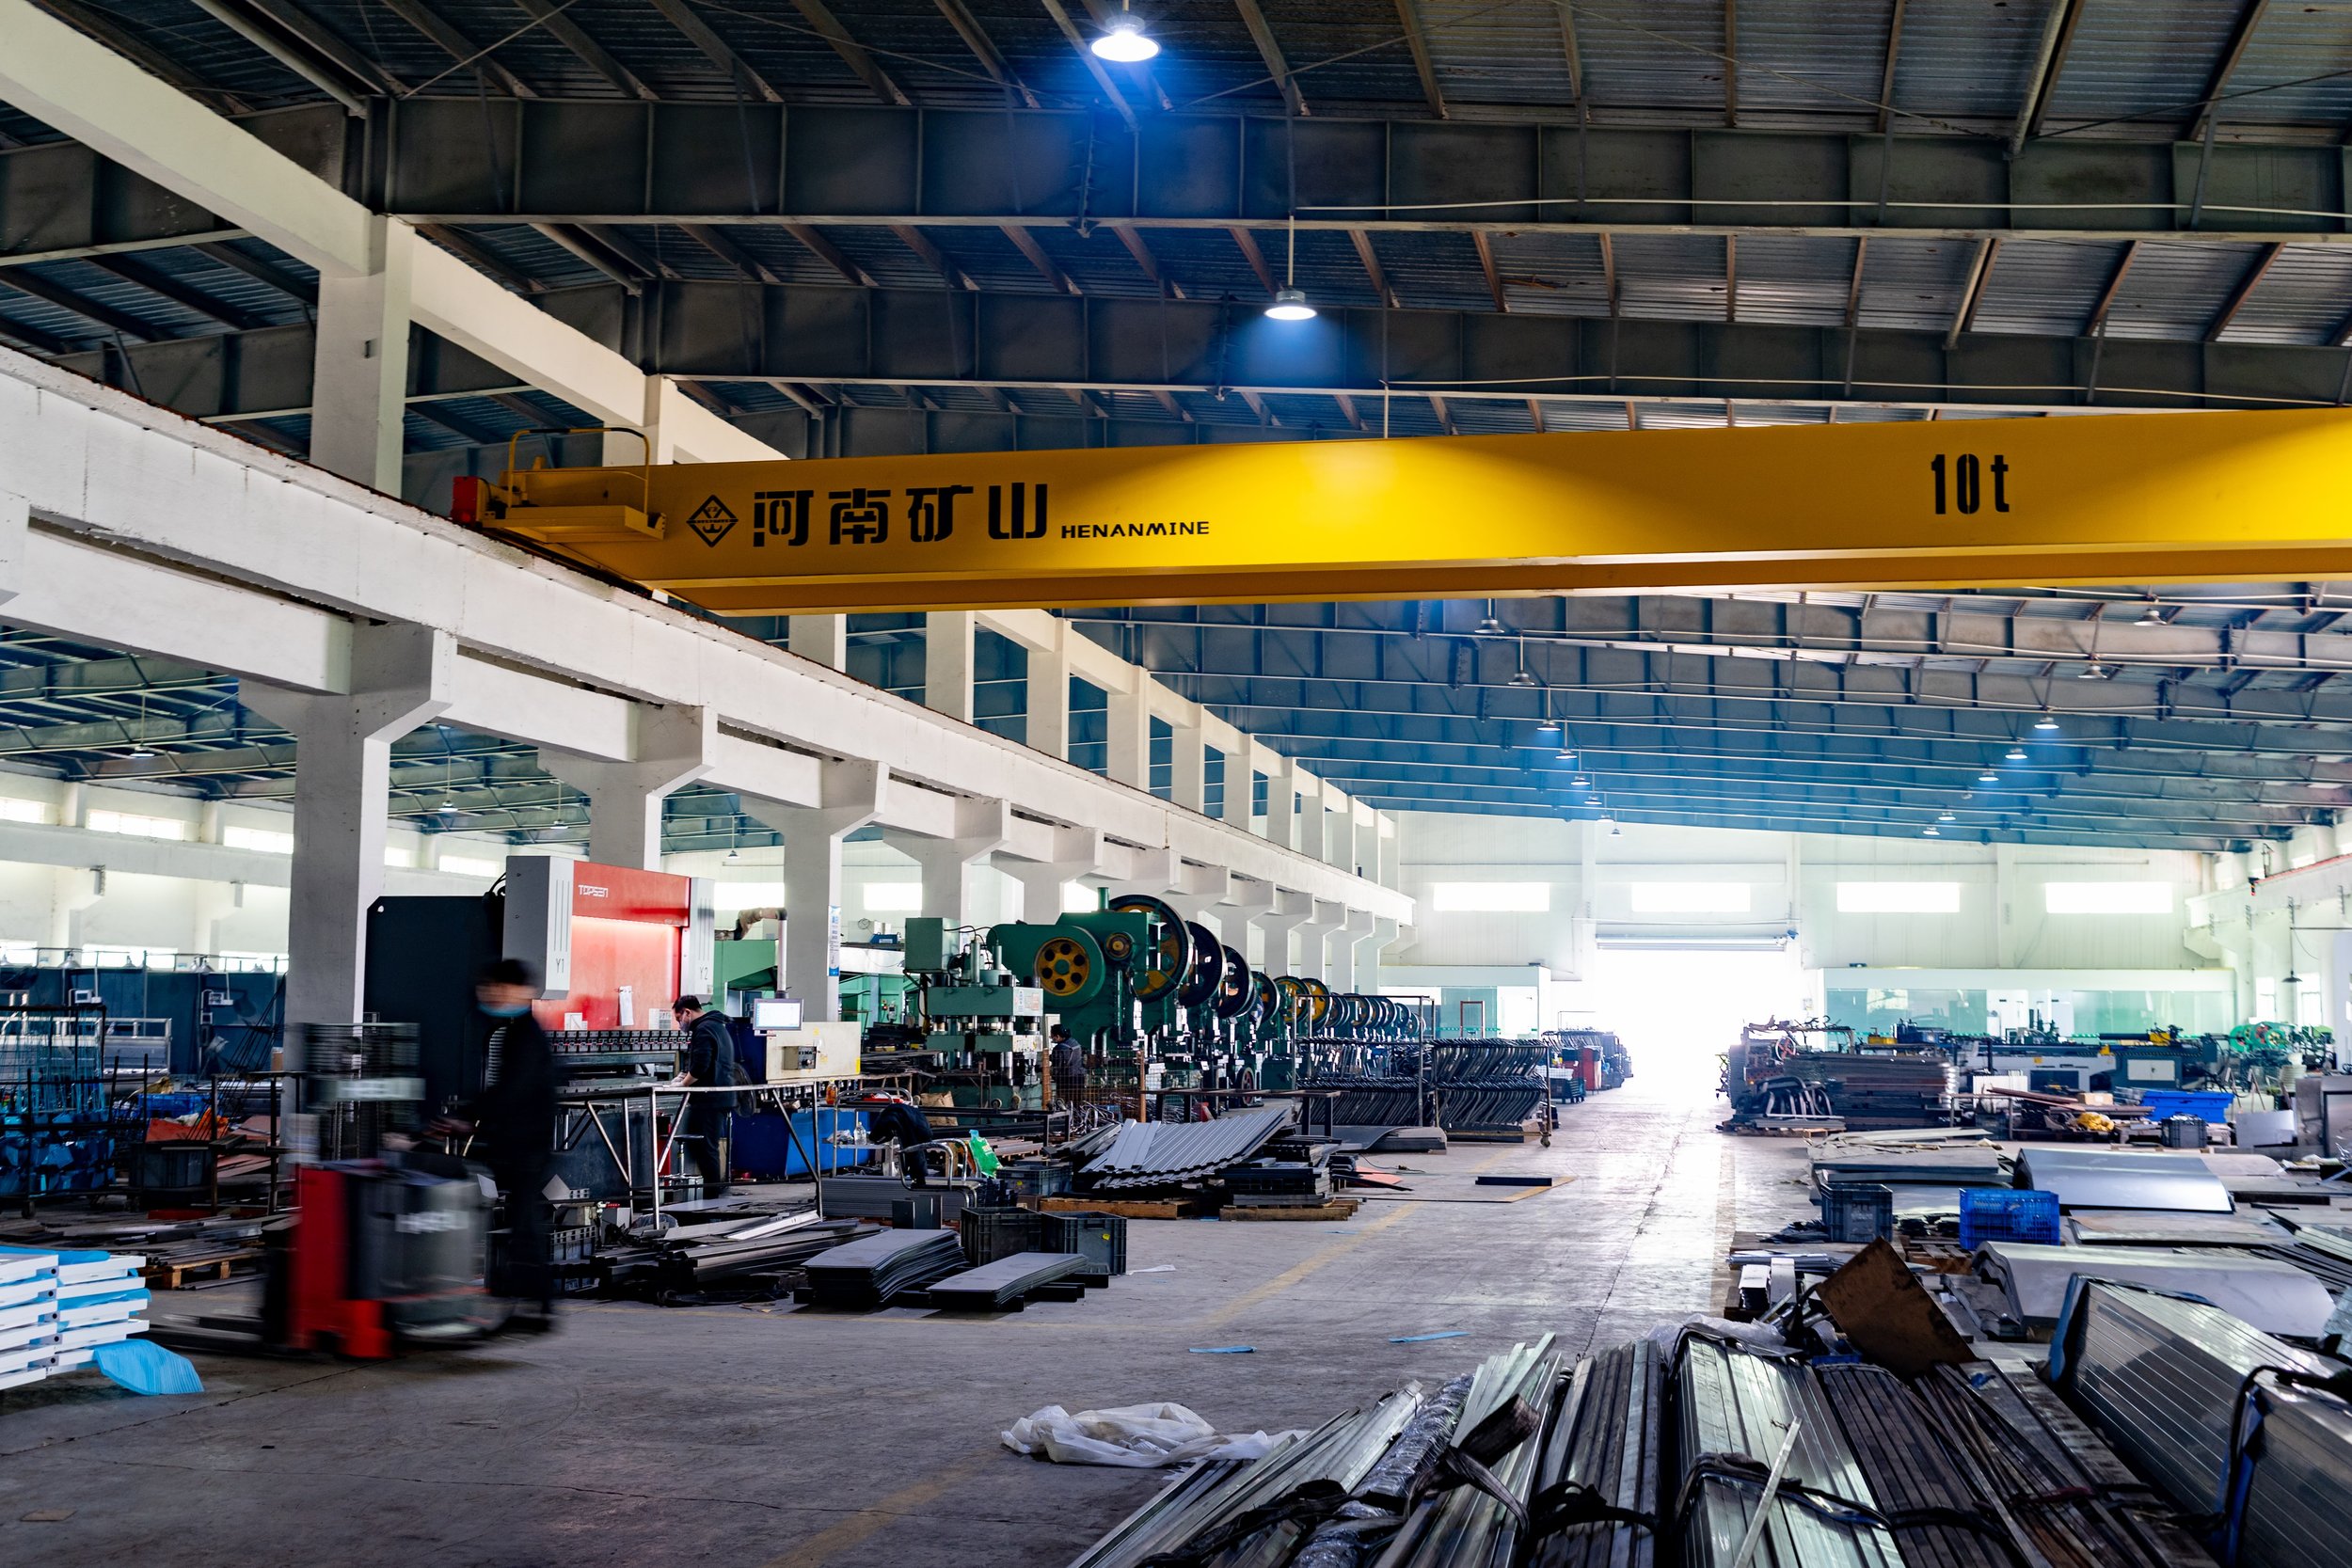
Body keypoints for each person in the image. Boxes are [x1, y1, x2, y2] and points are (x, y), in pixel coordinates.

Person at [463, 958, 561, 1331]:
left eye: (496, 988)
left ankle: (537, 1309)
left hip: (525, 1145)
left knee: (524, 1226)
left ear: (517, 991)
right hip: (522, 1143)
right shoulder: (517, 1030)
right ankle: (534, 1308)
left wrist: (472, 1113)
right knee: (523, 1225)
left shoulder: (523, 1035)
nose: (489, 995)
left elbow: (512, 1090)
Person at [673, 996, 739, 1196]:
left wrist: (682, 1085)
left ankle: (711, 1195)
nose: (680, 1023)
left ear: (687, 1012)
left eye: (678, 1018)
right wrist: (683, 1075)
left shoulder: (703, 1029)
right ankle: (709, 1192)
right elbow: (701, 1062)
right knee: (704, 1145)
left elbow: (701, 1066)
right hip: (719, 1096)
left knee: (706, 1148)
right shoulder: (717, 1026)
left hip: (711, 1098)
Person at [1049, 1022, 1087, 1110]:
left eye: (1052, 1036)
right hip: (1079, 1077)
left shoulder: (1059, 1048)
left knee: (1063, 1103)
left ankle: (1065, 1121)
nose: (1052, 1038)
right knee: (1077, 1103)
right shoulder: (1074, 1042)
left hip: (1066, 1080)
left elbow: (1056, 1066)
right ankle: (1078, 1120)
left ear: (1057, 1036)